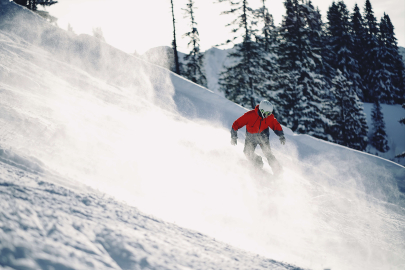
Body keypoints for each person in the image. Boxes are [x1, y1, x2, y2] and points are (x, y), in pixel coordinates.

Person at [231, 100, 286, 174]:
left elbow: (275, 125)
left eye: (270, 113)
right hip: (251, 138)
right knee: (247, 152)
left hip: (263, 138)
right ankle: (257, 162)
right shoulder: (250, 115)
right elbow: (236, 124)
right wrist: (234, 136)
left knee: (268, 154)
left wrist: (281, 135)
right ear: (262, 110)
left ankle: (278, 170)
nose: (268, 115)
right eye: (267, 113)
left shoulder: (269, 117)